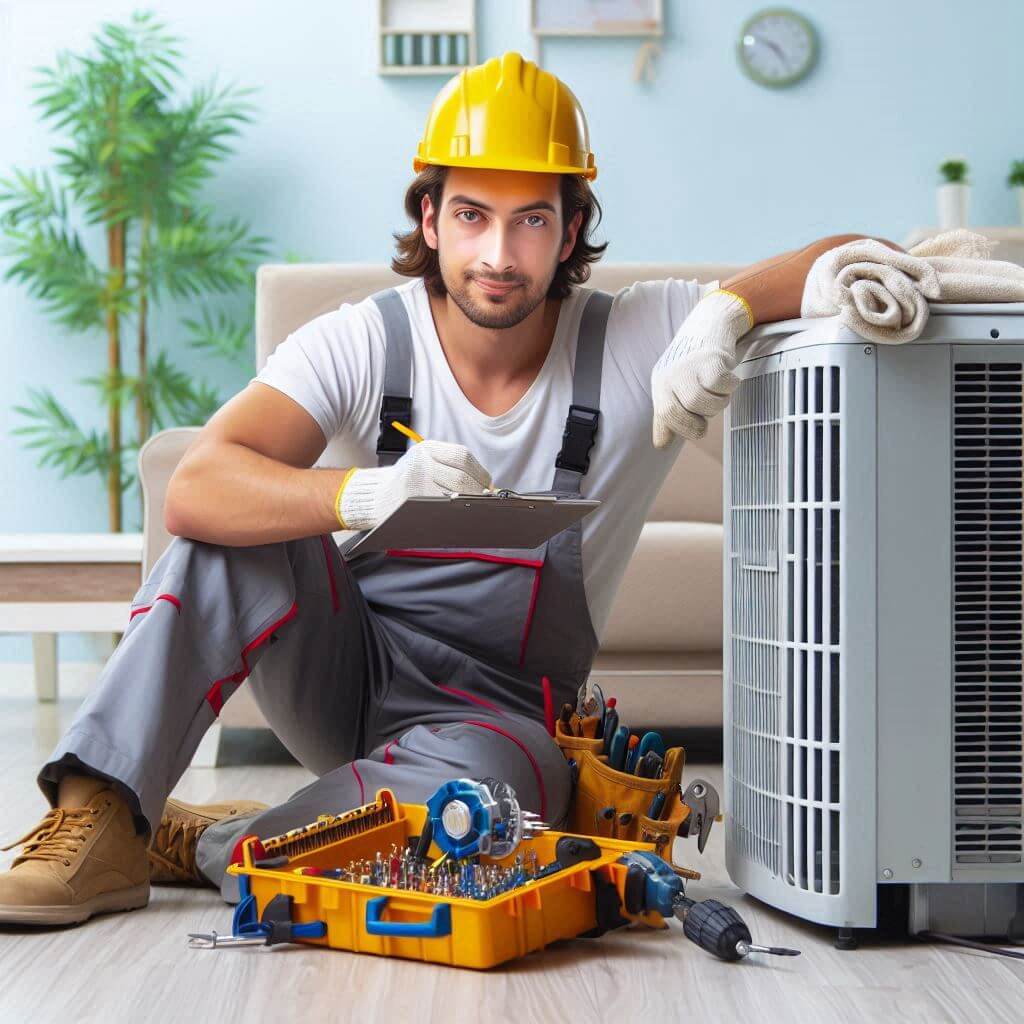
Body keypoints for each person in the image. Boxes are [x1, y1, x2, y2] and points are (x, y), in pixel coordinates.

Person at [0, 50, 901, 925]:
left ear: (572, 228)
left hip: (494, 722)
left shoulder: (637, 338)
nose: (499, 253)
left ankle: (214, 845)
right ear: (429, 218)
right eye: (472, 215)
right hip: (345, 672)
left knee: (495, 816)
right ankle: (101, 814)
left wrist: (729, 309)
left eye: (531, 220)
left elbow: (864, 254)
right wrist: (361, 494)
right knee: (228, 531)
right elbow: (195, 488)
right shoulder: (362, 342)